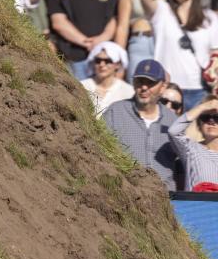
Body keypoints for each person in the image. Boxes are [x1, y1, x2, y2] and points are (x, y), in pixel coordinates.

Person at [140, 0, 218, 109]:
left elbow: (215, 54)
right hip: (166, 90)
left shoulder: (210, 18)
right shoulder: (162, 11)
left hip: (199, 91)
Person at [102, 59, 178, 190]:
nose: (144, 87)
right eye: (140, 81)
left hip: (166, 197)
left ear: (163, 86)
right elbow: (100, 151)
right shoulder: (115, 112)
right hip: (128, 194)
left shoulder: (172, 120)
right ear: (133, 83)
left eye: (150, 83)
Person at [168, 97, 218, 190]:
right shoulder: (191, 149)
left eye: (217, 117)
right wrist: (202, 107)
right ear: (200, 124)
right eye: (205, 117)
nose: (211, 121)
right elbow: (173, 131)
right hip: (196, 204)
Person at [81, 41, 134, 117]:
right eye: (98, 61)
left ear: (118, 65)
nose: (102, 65)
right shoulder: (83, 86)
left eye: (108, 61)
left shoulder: (128, 91)